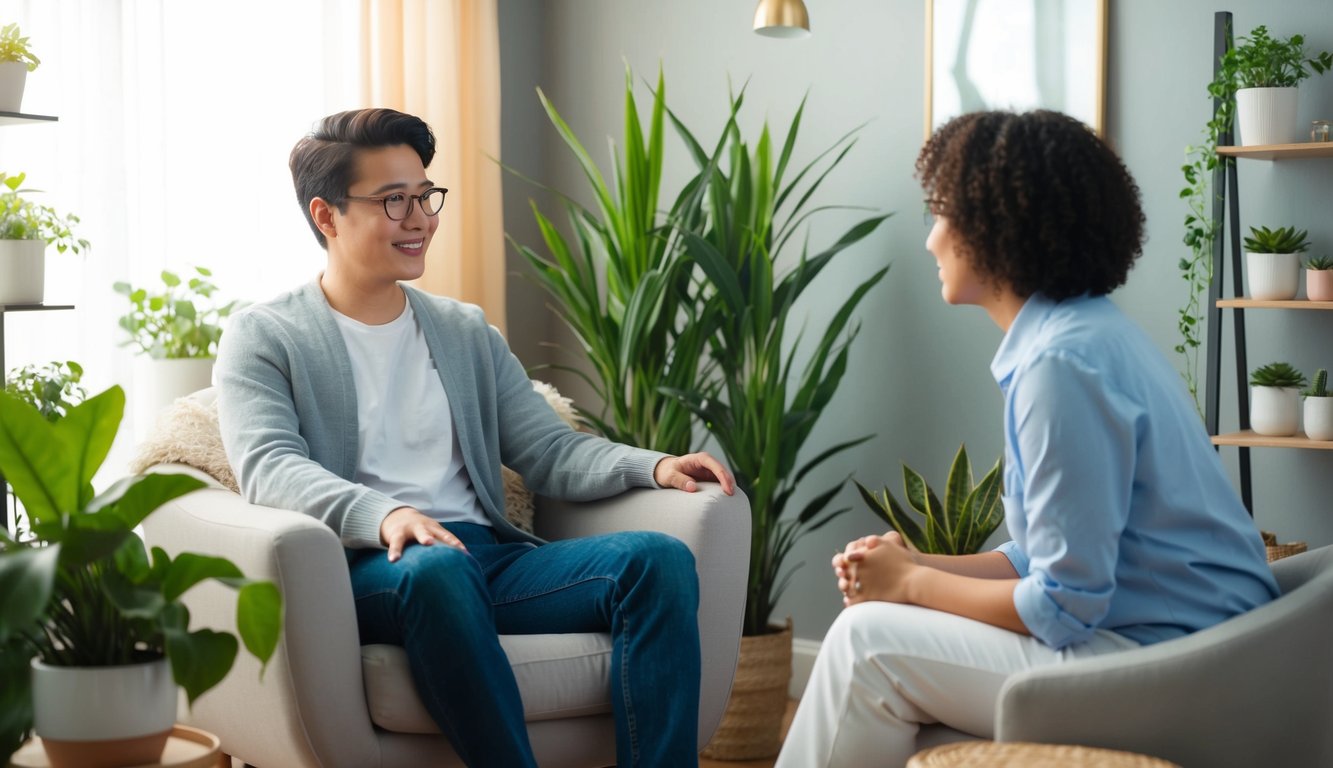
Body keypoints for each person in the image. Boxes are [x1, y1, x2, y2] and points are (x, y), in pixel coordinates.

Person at [215, 107, 735, 768]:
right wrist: (386, 515)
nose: (420, 219)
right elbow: (269, 467)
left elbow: (550, 451)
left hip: (486, 557)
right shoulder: (265, 335)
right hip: (375, 567)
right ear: (326, 215)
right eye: (393, 201)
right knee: (437, 570)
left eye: (425, 196)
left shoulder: (463, 331)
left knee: (655, 560)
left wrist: (653, 466)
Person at [774, 110, 1279, 767]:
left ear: (994, 229)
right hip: (1200, 647)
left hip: (1176, 668)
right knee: (881, 653)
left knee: (864, 643)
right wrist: (914, 566)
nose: (931, 241)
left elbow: (1064, 606)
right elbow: (1042, 557)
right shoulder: (1085, 335)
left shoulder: (1058, 365)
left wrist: (907, 587)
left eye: (941, 215)